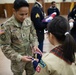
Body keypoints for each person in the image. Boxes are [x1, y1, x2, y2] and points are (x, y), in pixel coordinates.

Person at [0, 0, 39, 75]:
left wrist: (35, 44)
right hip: (17, 61)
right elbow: (5, 46)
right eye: (21, 14)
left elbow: (34, 35)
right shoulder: (5, 26)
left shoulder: (28, 22)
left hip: (30, 57)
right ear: (14, 11)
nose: (24, 17)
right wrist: (20, 57)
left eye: (26, 14)